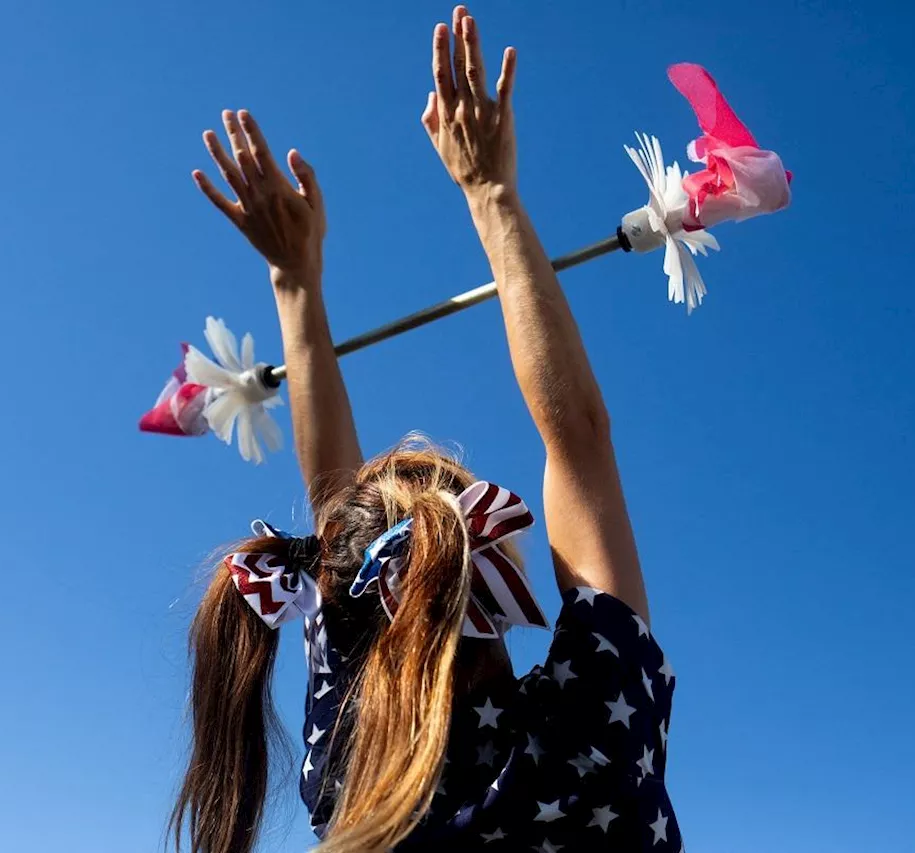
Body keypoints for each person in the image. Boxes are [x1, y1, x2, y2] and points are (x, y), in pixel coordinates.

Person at [170, 7, 683, 852]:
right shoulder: (591, 747)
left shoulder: (355, 780)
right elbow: (579, 437)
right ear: (479, 564)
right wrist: (492, 195)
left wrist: (293, 280)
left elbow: (347, 515)